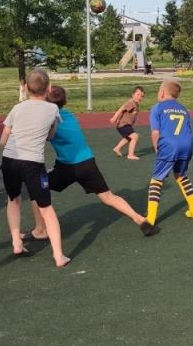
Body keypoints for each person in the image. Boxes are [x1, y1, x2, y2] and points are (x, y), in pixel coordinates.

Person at [25, 84, 156, 239]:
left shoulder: (48, 120)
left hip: (67, 167)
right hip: (87, 162)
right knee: (108, 197)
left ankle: (41, 229)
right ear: (64, 102)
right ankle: (139, 219)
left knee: (36, 188)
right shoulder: (69, 114)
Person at [0, 69, 71, 267]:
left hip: (10, 159)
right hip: (32, 162)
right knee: (46, 208)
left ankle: (16, 242)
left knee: (13, 200)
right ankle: (58, 255)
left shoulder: (17, 108)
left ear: (25, 88)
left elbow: (4, 139)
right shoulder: (52, 109)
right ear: (48, 88)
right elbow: (51, 135)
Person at [145, 79, 193, 226]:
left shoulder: (157, 108)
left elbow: (155, 133)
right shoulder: (183, 109)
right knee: (181, 175)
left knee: (157, 179)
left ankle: (150, 219)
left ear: (162, 93)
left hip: (169, 145)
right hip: (187, 144)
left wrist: (157, 148)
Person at [110, 86, 145, 160]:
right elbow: (121, 109)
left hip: (126, 124)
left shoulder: (136, 104)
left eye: (142, 96)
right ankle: (130, 155)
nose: (139, 97)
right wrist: (114, 117)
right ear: (133, 95)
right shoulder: (131, 102)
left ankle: (117, 148)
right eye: (138, 95)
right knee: (135, 136)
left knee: (128, 138)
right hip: (123, 124)